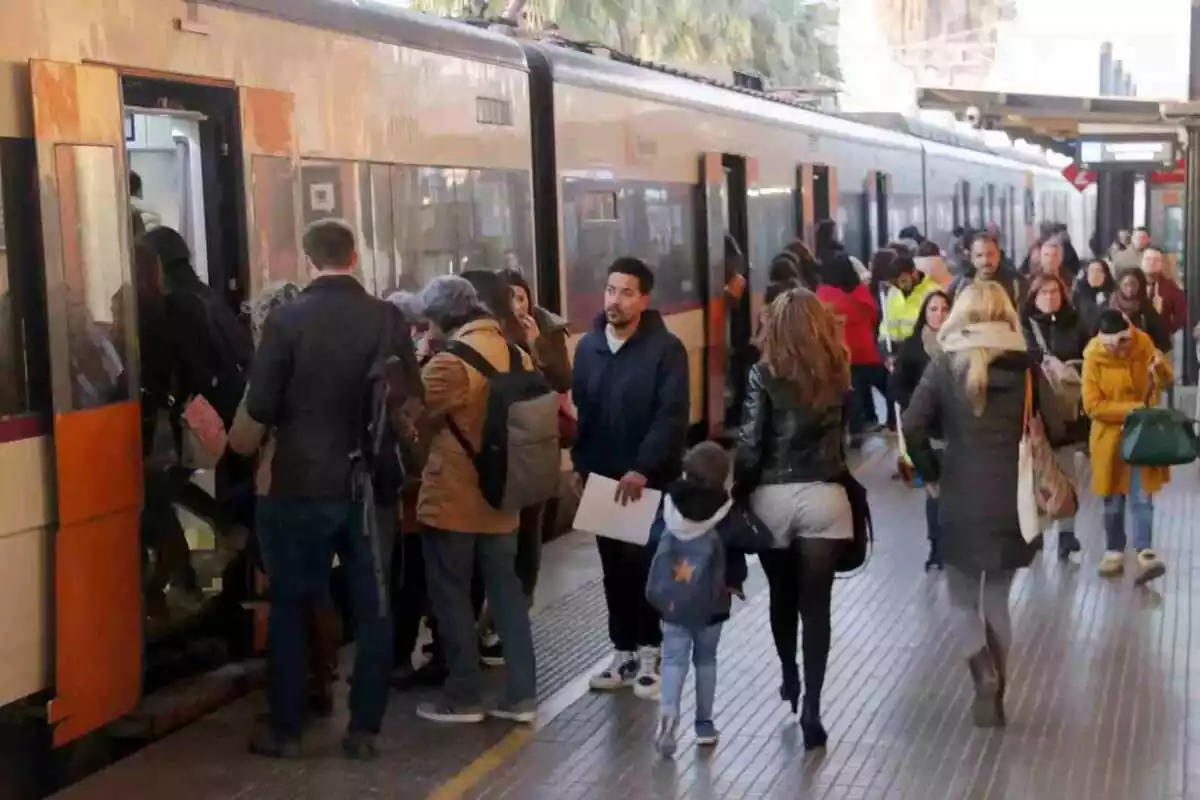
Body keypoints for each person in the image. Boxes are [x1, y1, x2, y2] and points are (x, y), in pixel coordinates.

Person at [238, 219, 420, 758]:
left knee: (293, 604)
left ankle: (287, 730)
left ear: (309, 258)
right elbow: (408, 394)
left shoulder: (287, 321)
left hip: (300, 485)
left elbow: (263, 405)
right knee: (373, 609)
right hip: (368, 488)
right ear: (356, 256)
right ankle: (363, 730)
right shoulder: (388, 318)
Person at [902, 281, 1065, 729]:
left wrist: (931, 472)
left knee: (960, 599)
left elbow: (912, 425)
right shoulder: (1027, 366)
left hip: (958, 493)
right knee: (996, 597)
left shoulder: (944, 365)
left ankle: (982, 674)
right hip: (1012, 499)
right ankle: (999, 689)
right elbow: (1060, 423)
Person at [413, 275, 539, 725]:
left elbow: (413, 415)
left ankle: (464, 695)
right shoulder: (515, 351)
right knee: (507, 594)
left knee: (450, 596)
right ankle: (522, 696)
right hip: (504, 495)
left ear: (442, 320)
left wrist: (419, 361)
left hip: (455, 500)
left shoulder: (451, 363)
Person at [734, 286, 852, 750]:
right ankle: (814, 711)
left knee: (782, 595)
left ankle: (789, 676)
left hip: (774, 497)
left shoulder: (762, 374)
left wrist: (739, 495)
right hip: (826, 495)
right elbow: (845, 440)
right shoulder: (838, 372)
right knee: (817, 608)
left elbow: (749, 445)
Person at [574, 257, 689, 700]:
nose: (614, 300)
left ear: (644, 299)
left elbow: (671, 416)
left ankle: (649, 652)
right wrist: (581, 467)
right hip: (603, 477)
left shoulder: (665, 350)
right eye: (610, 290)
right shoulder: (589, 347)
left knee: (644, 566)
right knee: (612, 569)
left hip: (647, 479)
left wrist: (643, 467)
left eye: (625, 292)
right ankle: (621, 650)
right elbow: (586, 411)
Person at [229, 280, 340, 718]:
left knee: (289, 594)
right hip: (335, 488)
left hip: (284, 489)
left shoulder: (270, 370)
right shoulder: (338, 363)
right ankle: (324, 679)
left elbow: (243, 437)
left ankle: (289, 701)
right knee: (320, 588)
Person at [648, 441, 748, 758]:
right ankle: (704, 724)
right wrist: (736, 580)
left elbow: (652, 539)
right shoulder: (726, 511)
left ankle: (668, 714)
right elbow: (741, 549)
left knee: (674, 660)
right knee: (706, 661)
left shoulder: (669, 503)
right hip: (713, 603)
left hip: (675, 602)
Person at [1083, 310, 1172, 584]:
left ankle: (1145, 550)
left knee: (1142, 496)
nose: (1114, 348)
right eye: (1108, 343)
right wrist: (1135, 408)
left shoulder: (1143, 344)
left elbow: (1168, 380)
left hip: (1143, 436)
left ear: (1128, 334)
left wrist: (1159, 365)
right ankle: (1113, 551)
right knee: (1112, 499)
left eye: (1120, 342)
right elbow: (1092, 406)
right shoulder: (1093, 357)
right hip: (1109, 439)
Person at [1021, 273, 1090, 561]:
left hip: (1068, 412)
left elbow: (1089, 359)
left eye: (1054, 292)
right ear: (1033, 297)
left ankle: (1066, 533)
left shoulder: (1076, 324)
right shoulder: (1022, 326)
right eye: (1043, 293)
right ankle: (1035, 533)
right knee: (1033, 475)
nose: (1049, 297)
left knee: (1066, 473)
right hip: (1034, 410)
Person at [890, 289, 952, 571]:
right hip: (926, 430)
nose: (939, 314)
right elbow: (896, 385)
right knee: (933, 488)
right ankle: (937, 547)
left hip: (955, 428)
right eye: (934, 309)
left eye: (944, 309)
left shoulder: (959, 344)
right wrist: (915, 405)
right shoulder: (912, 348)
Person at [815, 253, 885, 444]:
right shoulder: (860, 292)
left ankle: (855, 429)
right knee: (881, 382)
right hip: (865, 348)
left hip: (840, 350)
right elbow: (873, 316)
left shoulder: (823, 294)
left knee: (849, 388)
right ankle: (884, 419)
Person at [950, 232, 1028, 310]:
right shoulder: (964, 284)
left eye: (990, 254)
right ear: (972, 259)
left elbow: (1021, 316)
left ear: (999, 255)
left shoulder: (1016, 281)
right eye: (979, 255)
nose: (985, 261)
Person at [880, 255, 940, 345]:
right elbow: (887, 321)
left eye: (904, 281)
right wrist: (883, 341)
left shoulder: (933, 292)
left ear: (914, 272)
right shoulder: (894, 291)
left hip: (922, 350)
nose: (901, 286)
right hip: (893, 348)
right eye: (896, 283)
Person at [1111, 267, 1172, 352]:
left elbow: (1162, 338)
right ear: (1119, 285)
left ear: (1140, 285)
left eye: (1133, 284)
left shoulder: (1146, 307)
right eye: (1126, 285)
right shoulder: (1110, 306)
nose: (1130, 289)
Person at [1141, 246, 1185, 341]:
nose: (1151, 263)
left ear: (1162, 264)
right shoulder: (1130, 282)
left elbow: (1182, 315)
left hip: (1160, 342)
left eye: (1156, 260)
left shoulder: (1171, 287)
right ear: (1141, 261)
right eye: (1148, 259)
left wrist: (1168, 331)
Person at [1073, 258, 1116, 335]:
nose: (1094, 274)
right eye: (1091, 271)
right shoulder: (1079, 293)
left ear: (1105, 275)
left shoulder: (1113, 292)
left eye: (1098, 270)